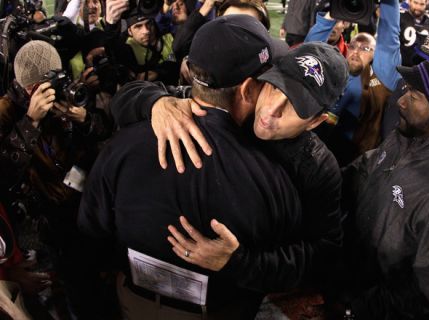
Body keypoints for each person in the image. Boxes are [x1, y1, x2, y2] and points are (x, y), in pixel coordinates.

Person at [77, 15, 305, 319]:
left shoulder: (121, 146)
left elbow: (90, 238)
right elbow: (288, 271)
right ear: (248, 88)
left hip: (133, 305)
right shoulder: (273, 176)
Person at [112, 41, 349, 299]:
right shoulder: (237, 103)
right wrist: (157, 103)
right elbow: (128, 95)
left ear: (316, 121)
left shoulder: (318, 168)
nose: (271, 110)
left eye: (296, 105)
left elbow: (323, 253)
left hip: (241, 295)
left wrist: (239, 262)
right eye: (275, 86)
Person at [341, 59, 429, 319]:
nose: (401, 101)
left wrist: (354, 309)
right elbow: (362, 171)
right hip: (345, 280)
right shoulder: (404, 138)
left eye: (414, 97)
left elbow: (423, 294)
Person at [0, 40, 110, 318]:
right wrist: (31, 123)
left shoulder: (62, 92)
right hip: (44, 223)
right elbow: (3, 176)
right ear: (30, 87)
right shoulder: (6, 111)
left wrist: (85, 118)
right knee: (70, 291)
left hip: (85, 204)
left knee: (96, 280)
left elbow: (102, 133)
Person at [304, 0, 402, 166]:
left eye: (365, 49)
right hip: (311, 154)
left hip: (354, 163)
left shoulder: (381, 78)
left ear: (375, 56)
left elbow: (389, 35)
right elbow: (309, 53)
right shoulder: (332, 72)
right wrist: (332, 14)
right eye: (352, 46)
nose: (356, 52)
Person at [399, 0, 429, 66]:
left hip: (420, 67)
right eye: (415, 3)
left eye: (422, 4)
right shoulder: (400, 16)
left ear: (426, 4)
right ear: (409, 2)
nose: (418, 7)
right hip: (400, 63)